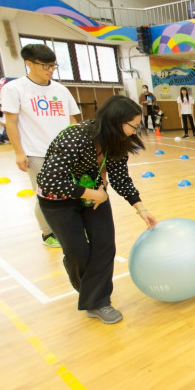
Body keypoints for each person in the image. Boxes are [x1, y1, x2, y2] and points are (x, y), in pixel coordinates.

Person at [36, 95, 157, 324]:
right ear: (115, 121)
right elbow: (50, 180)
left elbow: (121, 179)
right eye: (133, 126)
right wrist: (96, 194)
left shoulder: (116, 143)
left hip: (93, 196)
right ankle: (76, 268)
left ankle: (98, 302)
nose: (135, 131)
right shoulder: (76, 136)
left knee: (104, 246)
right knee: (78, 253)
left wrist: (141, 209)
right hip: (58, 199)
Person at [2, 44, 80, 249]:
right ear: (29, 63)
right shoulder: (14, 89)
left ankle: (67, 228)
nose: (50, 70)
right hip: (36, 152)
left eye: (53, 66)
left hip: (65, 151)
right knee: (45, 193)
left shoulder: (61, 90)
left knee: (70, 190)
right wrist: (19, 152)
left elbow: (71, 119)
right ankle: (47, 232)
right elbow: (10, 122)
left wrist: (78, 146)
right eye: (45, 65)